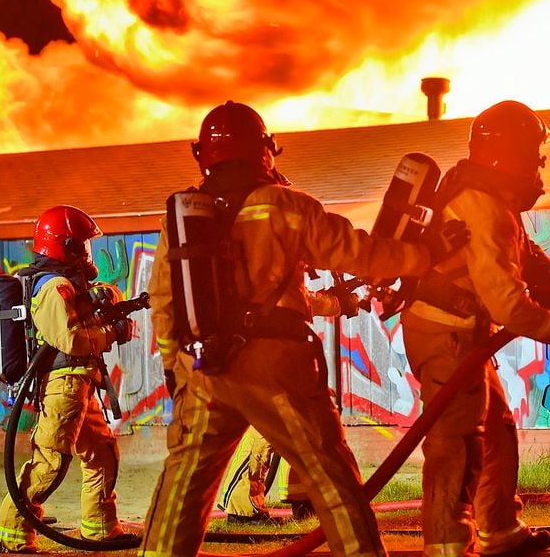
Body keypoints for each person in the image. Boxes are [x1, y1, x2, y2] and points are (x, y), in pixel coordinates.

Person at [139, 101, 448, 557]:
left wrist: (175, 369)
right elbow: (359, 253)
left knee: (182, 484)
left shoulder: (182, 219)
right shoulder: (285, 205)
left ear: (201, 154)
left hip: (202, 367)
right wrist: (423, 257)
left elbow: (164, 301)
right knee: (329, 473)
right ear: (265, 150)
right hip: (274, 365)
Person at [401, 100, 550, 557]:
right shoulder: (483, 206)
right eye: (534, 155)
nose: (538, 167)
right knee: (456, 445)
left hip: (460, 334)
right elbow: (507, 302)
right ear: (511, 154)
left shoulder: (487, 198)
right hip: (447, 336)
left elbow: (517, 262)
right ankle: (448, 547)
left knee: (496, 430)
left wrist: (548, 287)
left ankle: (500, 531)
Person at [0, 205, 135, 554]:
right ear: (64, 245)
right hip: (63, 385)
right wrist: (111, 333)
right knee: (51, 462)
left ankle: (100, 527)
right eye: (82, 246)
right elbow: (69, 339)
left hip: (80, 383)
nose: (88, 253)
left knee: (102, 453)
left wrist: (109, 299)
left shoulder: (69, 284)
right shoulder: (53, 287)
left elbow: (88, 307)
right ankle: (11, 533)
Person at [216, 285, 355, 523]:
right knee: (265, 429)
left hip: (279, 347)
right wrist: (335, 303)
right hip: (263, 349)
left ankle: (301, 497)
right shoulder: (266, 259)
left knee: (302, 422)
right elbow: (291, 297)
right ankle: (241, 508)